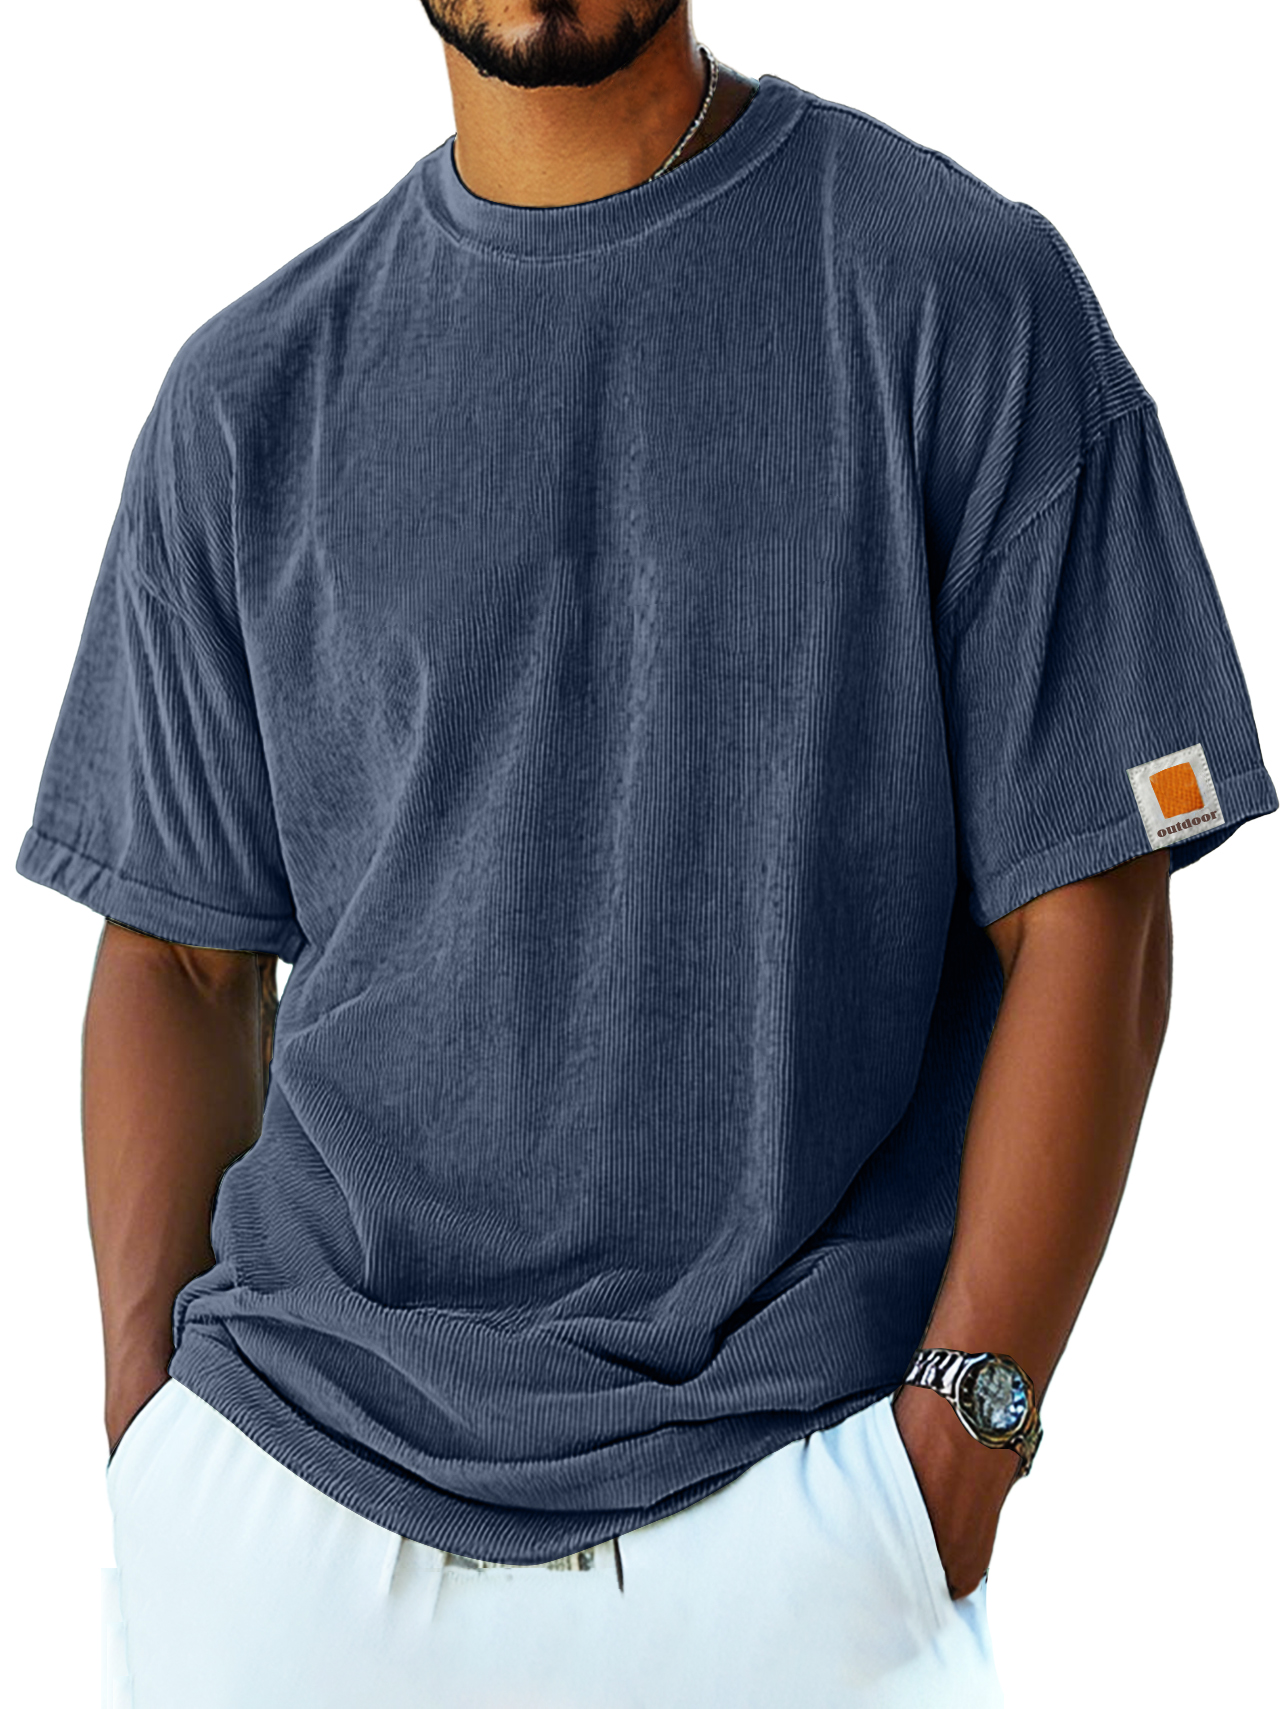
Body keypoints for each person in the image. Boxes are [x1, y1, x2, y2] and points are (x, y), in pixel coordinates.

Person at [14, 3, 1277, 1706]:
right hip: (283, 1520)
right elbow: (177, 950)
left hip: (783, 1527)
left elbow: (1090, 915)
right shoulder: (248, 391)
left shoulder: (953, 297)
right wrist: (148, 1438)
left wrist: (961, 1445)